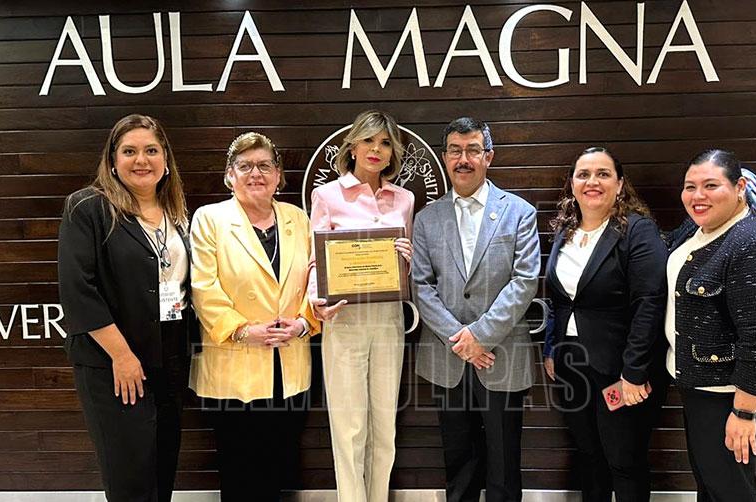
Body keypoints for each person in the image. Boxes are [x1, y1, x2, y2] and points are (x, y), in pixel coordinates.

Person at [57, 114, 192, 502]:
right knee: (131, 479)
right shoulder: (88, 208)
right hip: (114, 363)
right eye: (129, 151)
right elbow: (78, 290)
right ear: (113, 161)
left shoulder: (176, 214)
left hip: (169, 358)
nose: (141, 160)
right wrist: (122, 356)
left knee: (162, 471)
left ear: (166, 159)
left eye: (151, 150)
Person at [412, 117, 540, 502]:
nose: (463, 159)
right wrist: (461, 340)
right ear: (445, 157)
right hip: (446, 357)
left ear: (489, 156)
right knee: (459, 461)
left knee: (504, 462)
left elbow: (524, 281)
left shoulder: (519, 212)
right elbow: (421, 286)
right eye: (455, 150)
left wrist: (480, 336)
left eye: (472, 150)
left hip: (501, 355)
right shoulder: (426, 218)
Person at [189, 132, 320, 502]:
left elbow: (317, 279)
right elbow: (203, 287)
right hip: (235, 366)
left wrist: (304, 323)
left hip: (288, 364)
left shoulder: (297, 218)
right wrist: (244, 331)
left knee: (278, 466)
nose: (255, 174)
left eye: (264, 165)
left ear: (278, 175)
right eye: (244, 166)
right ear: (229, 175)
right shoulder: (210, 219)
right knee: (239, 470)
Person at [666, 149, 756, 502]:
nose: (698, 196)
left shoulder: (753, 245)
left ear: (739, 187)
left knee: (728, 486)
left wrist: (743, 413)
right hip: (702, 382)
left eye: (711, 185)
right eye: (690, 186)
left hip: (731, 389)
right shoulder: (697, 227)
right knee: (710, 477)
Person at [541, 147, 668, 502]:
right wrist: (551, 349)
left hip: (620, 370)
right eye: (583, 174)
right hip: (572, 366)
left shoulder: (638, 231)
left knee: (624, 460)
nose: (592, 182)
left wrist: (634, 371)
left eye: (603, 174)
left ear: (620, 183)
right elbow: (558, 299)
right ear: (572, 183)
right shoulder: (566, 229)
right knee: (589, 458)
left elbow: (650, 303)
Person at [308, 110, 415, 502]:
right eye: (368, 140)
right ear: (352, 146)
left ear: (393, 152)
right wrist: (316, 302)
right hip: (344, 318)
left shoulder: (404, 199)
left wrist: (408, 259)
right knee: (349, 428)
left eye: (385, 143)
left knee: (385, 427)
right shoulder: (327, 196)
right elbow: (315, 260)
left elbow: (407, 267)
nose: (376, 149)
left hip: (388, 319)